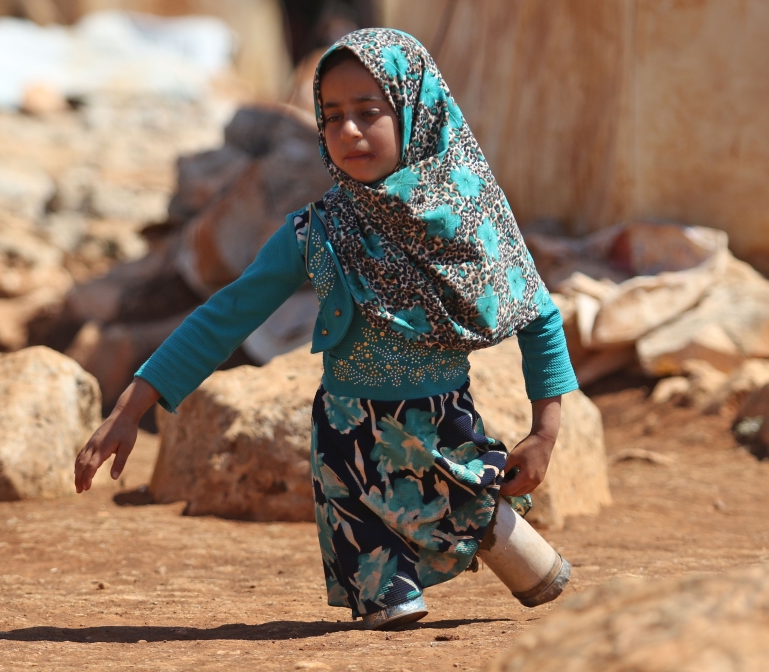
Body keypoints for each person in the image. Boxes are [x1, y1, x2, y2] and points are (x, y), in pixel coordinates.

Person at [74, 28, 579, 630]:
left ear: (418, 110)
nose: (349, 132)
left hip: (442, 425)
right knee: (385, 604)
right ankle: (391, 592)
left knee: (496, 533)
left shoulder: (470, 216)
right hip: (347, 441)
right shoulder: (316, 232)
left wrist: (544, 432)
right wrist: (133, 405)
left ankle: (513, 549)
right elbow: (226, 314)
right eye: (332, 116)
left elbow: (539, 316)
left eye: (370, 112)